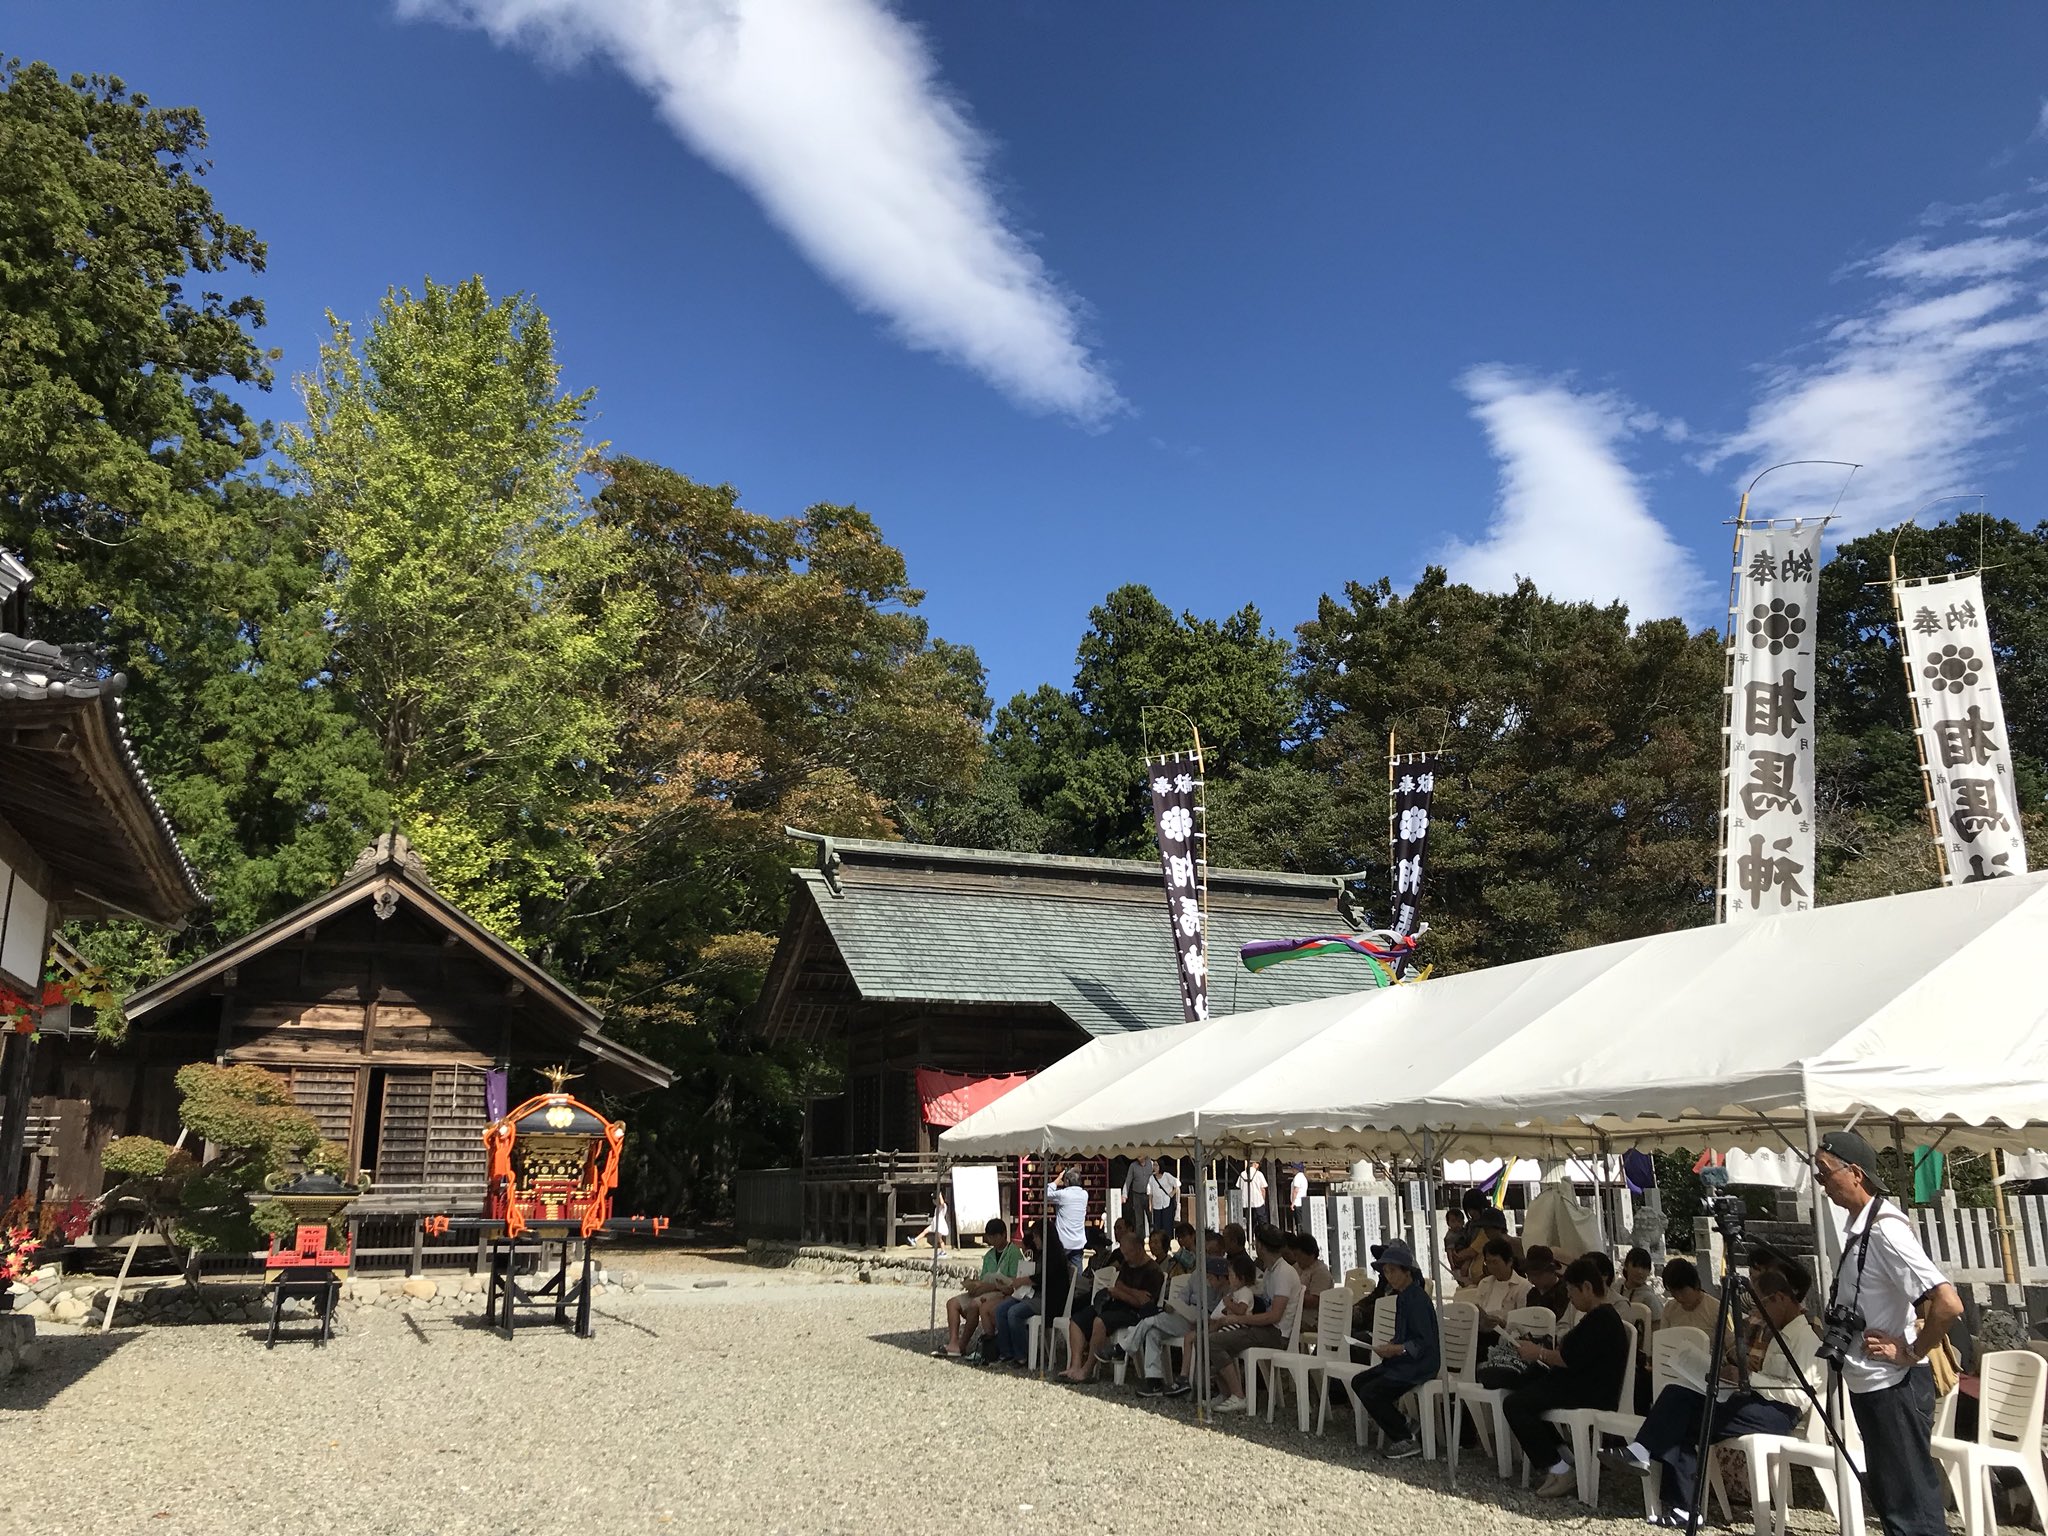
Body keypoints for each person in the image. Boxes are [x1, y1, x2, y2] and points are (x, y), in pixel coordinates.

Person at [1814, 1129, 1963, 1536]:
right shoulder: (1861, 1228)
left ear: (1856, 1173)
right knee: (1894, 1504)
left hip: (1893, 1385)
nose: (1820, 1182)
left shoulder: (1885, 1230)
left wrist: (1912, 1351)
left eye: (1824, 1172)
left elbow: (1948, 1303)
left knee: (1911, 1511)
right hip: (1872, 1384)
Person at [1601, 1265, 1820, 1524]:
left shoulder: (1805, 1337)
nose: (1761, 1314)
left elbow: (1799, 1394)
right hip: (1755, 1400)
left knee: (1681, 1410)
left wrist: (1749, 1378)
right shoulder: (1779, 1333)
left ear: (1781, 1299)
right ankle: (1683, 1508)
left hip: (1777, 1413)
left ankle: (1642, 1449)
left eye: (1763, 1306)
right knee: (1680, 1409)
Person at [1502, 1255, 1634, 1499]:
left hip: (1588, 1389)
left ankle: (1558, 1467)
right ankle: (1564, 1458)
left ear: (1586, 1287)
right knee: (1524, 1393)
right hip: (1580, 1383)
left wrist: (1538, 1352)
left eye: (1572, 1291)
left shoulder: (1603, 1319)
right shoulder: (1599, 1318)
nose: (1570, 1298)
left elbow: (1569, 1359)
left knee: (1515, 1404)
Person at [1342, 1238, 1440, 1458]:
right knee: (1359, 1381)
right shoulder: (1404, 1296)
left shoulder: (1417, 1299)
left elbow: (1422, 1342)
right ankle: (1403, 1423)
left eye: (1393, 1271)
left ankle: (1404, 1437)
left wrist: (1396, 1349)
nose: (1389, 1276)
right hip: (1404, 1361)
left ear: (1407, 1272)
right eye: (1386, 1272)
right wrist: (1392, 1347)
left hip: (1419, 1364)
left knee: (1372, 1391)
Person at [1207, 1227, 1304, 1412]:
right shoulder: (1271, 1271)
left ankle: (1238, 1395)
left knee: (1214, 1341)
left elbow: (1274, 1315)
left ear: (1260, 1246)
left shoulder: (1284, 1273)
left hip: (1276, 1334)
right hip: (1266, 1330)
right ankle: (1226, 1393)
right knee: (1215, 1336)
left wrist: (1237, 1318)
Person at [1062, 1228, 1164, 1382]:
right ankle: (1075, 1365)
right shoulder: (1127, 1265)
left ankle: (1087, 1370)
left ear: (1138, 1249)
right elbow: (1118, 1285)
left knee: (1100, 1322)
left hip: (1135, 1313)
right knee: (1076, 1320)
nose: (1126, 1258)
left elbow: (1143, 1302)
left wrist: (1123, 1292)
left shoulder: (1153, 1271)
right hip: (1115, 1304)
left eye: (1128, 1254)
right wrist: (1130, 1292)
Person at [938, 1217, 1021, 1357]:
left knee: (975, 1304)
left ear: (1003, 1235)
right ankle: (953, 1342)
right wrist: (974, 1284)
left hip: (1000, 1292)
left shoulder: (1013, 1253)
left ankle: (963, 1344)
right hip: (985, 1289)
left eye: (994, 1236)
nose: (992, 1240)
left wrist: (991, 1284)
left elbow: (1013, 1281)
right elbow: (984, 1277)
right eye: (990, 1237)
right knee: (952, 1303)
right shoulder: (989, 1255)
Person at [1043, 1165, 1090, 1326]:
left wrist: (1057, 1179)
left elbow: (1046, 1193)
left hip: (1063, 1242)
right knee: (1078, 1281)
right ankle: (1077, 1312)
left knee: (1058, 1278)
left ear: (1067, 1181)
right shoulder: (1085, 1194)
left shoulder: (1064, 1195)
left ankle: (1060, 1307)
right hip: (1078, 1242)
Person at [988, 1227, 1042, 1366]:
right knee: (1000, 1310)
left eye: (1037, 1237)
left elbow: (1041, 1277)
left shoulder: (1050, 1255)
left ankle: (1021, 1355)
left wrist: (1022, 1281)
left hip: (1042, 1296)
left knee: (1014, 1312)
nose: (1035, 1240)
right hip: (1027, 1292)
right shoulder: (1036, 1255)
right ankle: (1006, 1352)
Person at [1472, 1237, 1531, 1351]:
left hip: (1507, 1337)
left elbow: (1523, 1324)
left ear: (1509, 1261)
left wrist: (1503, 1323)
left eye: (1495, 1262)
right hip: (1482, 1333)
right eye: (1488, 1262)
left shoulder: (1523, 1286)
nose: (1491, 1267)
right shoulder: (1484, 1283)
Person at [1661, 1257, 1719, 1335]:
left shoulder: (1718, 1310)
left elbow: (1732, 1345)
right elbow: (1663, 1340)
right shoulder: (1669, 1309)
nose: (1679, 1298)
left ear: (1695, 1285)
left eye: (1682, 1292)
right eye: (1673, 1292)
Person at [1617, 1246, 1666, 1325]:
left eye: (1644, 1268)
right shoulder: (1615, 1288)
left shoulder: (1650, 1298)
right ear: (1626, 1266)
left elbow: (1658, 1325)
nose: (1640, 1272)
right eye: (1635, 1266)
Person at [1523, 1245, 1570, 1317]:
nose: (1532, 1280)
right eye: (1529, 1275)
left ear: (1551, 1271)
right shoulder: (1532, 1294)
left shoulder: (1566, 1293)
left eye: (1536, 1275)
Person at [1123, 1156, 1154, 1237]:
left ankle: (1154, 1237)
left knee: (1152, 1218)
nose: (1139, 1157)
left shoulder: (1151, 1164)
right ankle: (1140, 1241)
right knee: (1139, 1221)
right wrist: (1124, 1194)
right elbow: (1128, 1180)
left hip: (1149, 1196)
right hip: (1137, 1195)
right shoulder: (1133, 1166)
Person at [1149, 1158, 1180, 1235]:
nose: (1154, 1167)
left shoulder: (1166, 1175)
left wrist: (1172, 1193)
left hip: (1167, 1203)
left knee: (1167, 1224)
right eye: (1154, 1165)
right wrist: (1150, 1204)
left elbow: (1177, 1184)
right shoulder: (1151, 1178)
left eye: (1156, 1165)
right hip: (1156, 1204)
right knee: (1157, 1225)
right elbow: (1150, 1192)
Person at [1288, 1163, 1310, 1232]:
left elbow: (1296, 1190)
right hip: (1302, 1202)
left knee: (1299, 1222)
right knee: (1301, 1222)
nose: (1292, 1170)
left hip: (1297, 1202)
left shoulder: (1297, 1177)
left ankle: (1300, 1236)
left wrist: (1293, 1202)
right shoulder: (1303, 1177)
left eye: (1293, 1168)